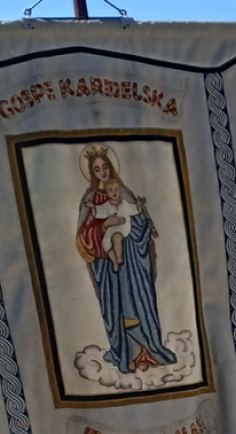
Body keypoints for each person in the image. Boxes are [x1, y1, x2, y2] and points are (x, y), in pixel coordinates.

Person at [75, 143, 176, 373]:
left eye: (105, 167)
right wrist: (105, 225)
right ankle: (128, 354)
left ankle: (149, 350)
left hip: (133, 265)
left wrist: (141, 222)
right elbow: (84, 235)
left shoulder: (124, 192)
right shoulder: (90, 199)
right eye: (97, 169)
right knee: (120, 307)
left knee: (137, 303)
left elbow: (138, 221)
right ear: (92, 173)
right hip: (108, 268)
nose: (102, 172)